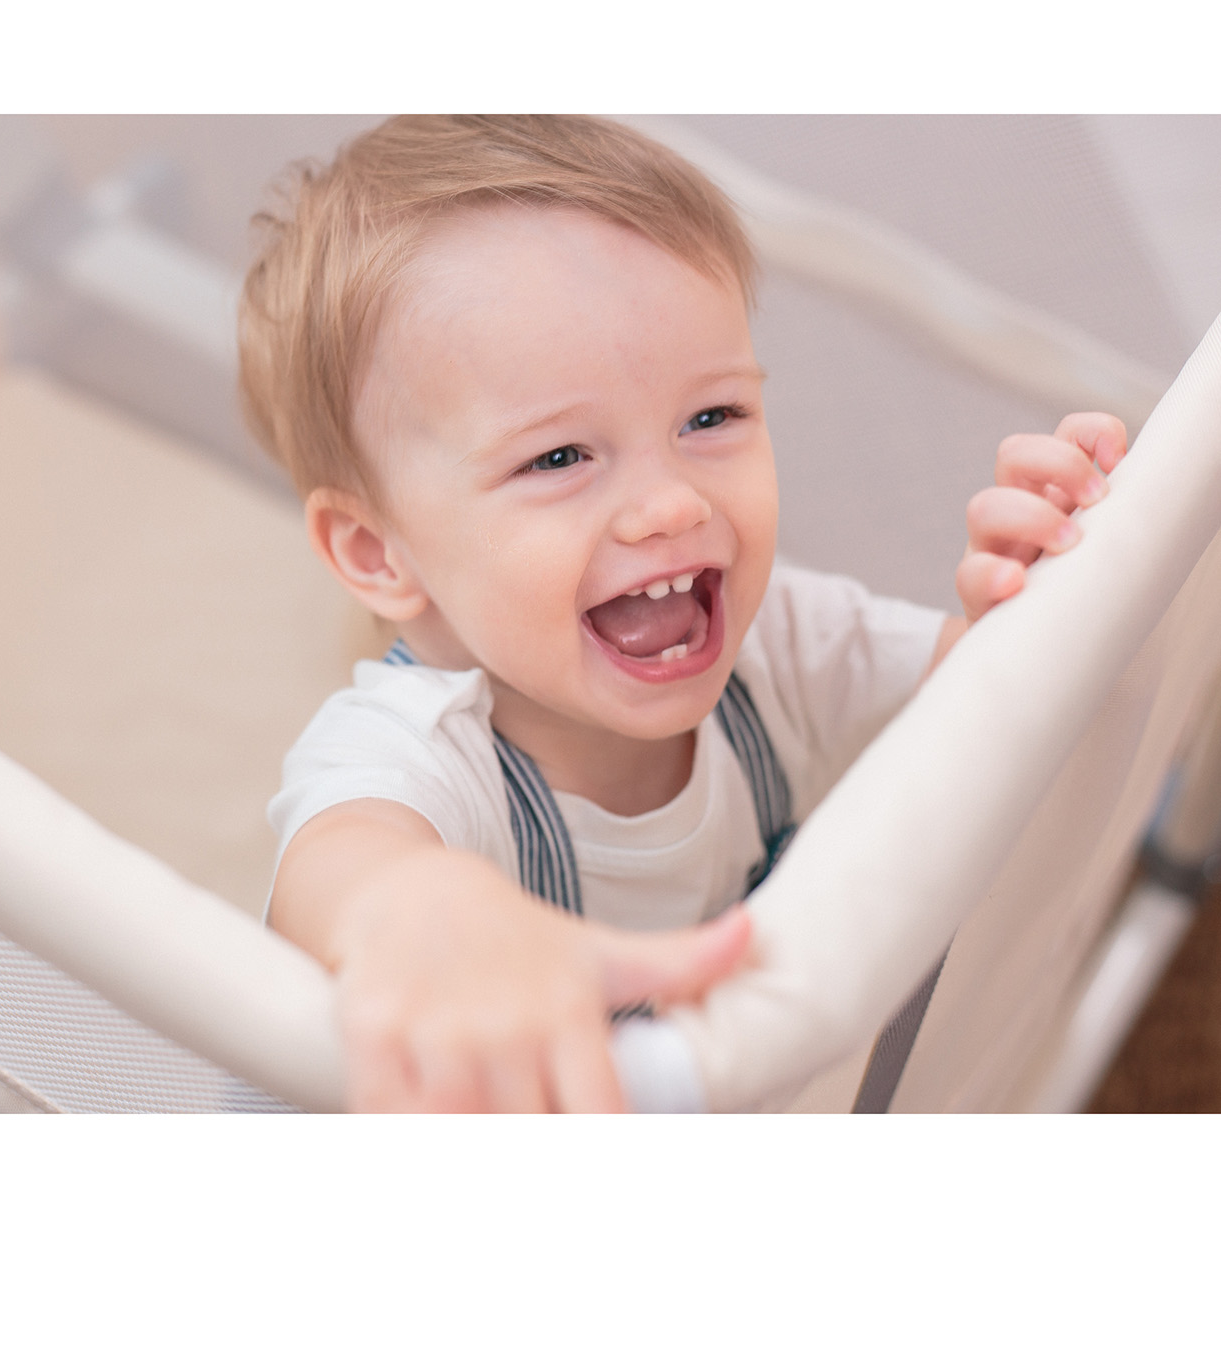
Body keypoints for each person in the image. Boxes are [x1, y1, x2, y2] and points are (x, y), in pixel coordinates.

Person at [238, 115, 1127, 1113]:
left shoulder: (777, 639)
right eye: (559, 457)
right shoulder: (415, 754)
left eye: (712, 417)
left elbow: (978, 708)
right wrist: (420, 913)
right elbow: (345, 860)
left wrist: (1021, 592)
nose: (672, 505)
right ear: (380, 554)